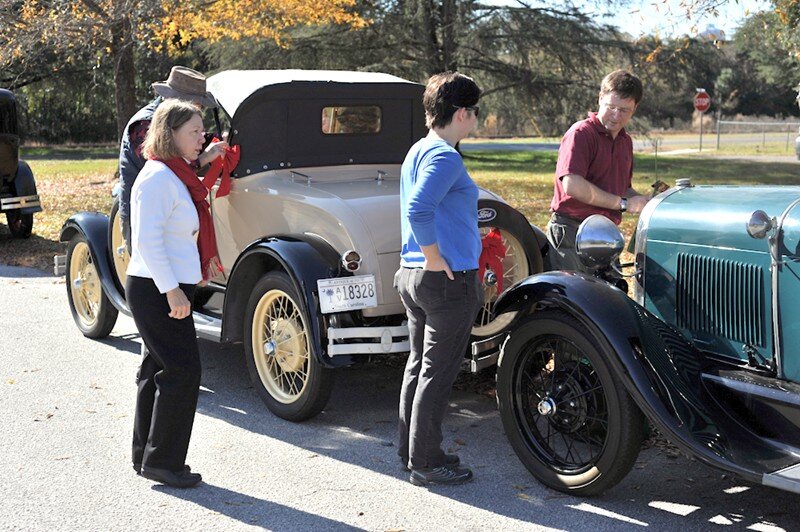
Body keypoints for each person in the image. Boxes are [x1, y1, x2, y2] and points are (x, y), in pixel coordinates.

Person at [126, 99, 225, 488]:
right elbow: (148, 242)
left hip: (166, 285)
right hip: (156, 287)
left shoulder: (176, 174)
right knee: (184, 371)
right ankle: (164, 463)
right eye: (194, 133)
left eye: (202, 131)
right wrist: (173, 292)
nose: (203, 138)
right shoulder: (157, 178)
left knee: (156, 369)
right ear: (170, 135)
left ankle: (147, 456)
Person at [395, 72, 484, 487]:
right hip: (445, 280)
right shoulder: (446, 156)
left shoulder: (419, 148)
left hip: (413, 277)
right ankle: (426, 462)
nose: (476, 120)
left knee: (419, 366)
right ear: (463, 113)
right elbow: (418, 209)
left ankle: (410, 451)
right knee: (437, 371)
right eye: (476, 113)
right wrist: (434, 257)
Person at [547, 70, 649, 272]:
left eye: (624, 110)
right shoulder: (581, 133)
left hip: (606, 235)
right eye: (611, 107)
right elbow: (572, 185)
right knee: (575, 299)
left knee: (611, 298)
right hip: (571, 232)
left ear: (635, 108)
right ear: (600, 98)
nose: (616, 115)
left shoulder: (625, 141)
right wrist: (623, 204)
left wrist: (647, 202)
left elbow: (622, 189)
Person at [118, 65, 226, 248]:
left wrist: (220, 142)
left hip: (173, 211)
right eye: (196, 104)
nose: (199, 109)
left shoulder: (176, 123)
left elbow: (189, 144)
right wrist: (204, 158)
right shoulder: (144, 125)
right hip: (145, 214)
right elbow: (167, 167)